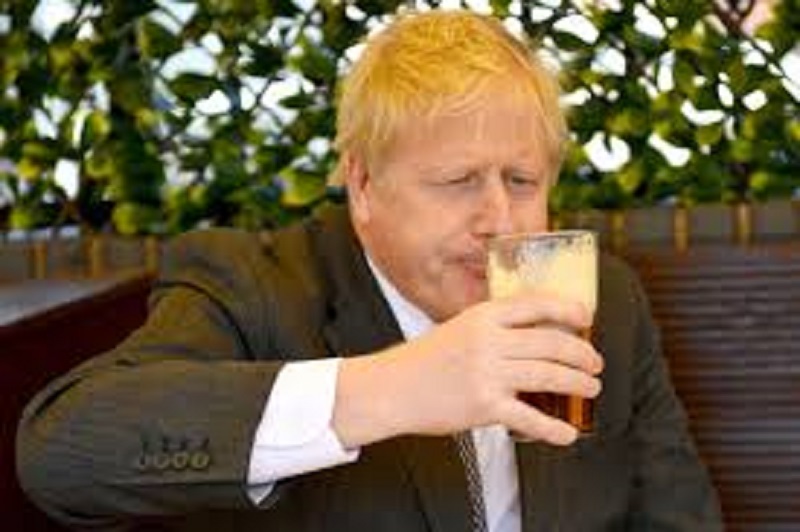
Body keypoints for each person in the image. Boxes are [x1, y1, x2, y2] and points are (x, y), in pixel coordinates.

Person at [16, 9, 722, 531]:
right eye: (457, 181)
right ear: (362, 184)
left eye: (521, 180)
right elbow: (61, 452)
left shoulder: (599, 298)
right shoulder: (255, 287)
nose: (500, 220)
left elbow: (676, 516)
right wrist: (389, 387)